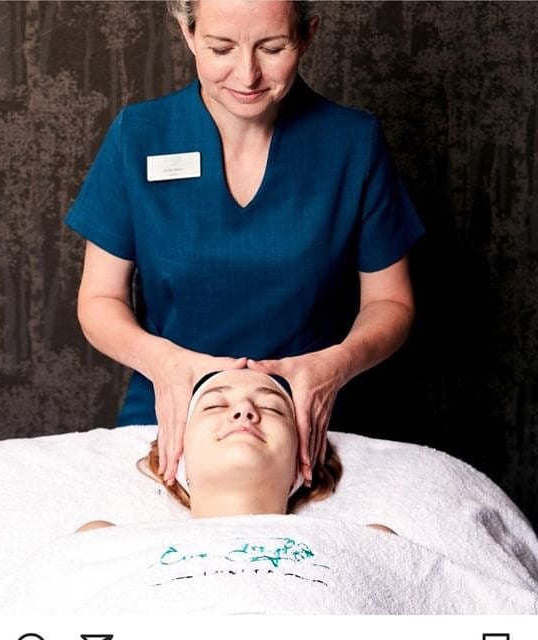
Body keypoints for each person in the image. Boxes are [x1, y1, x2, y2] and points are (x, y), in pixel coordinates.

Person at [65, 0, 425, 489]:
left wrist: (332, 368)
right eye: (221, 48)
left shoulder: (352, 143)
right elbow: (99, 299)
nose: (247, 74)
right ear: (189, 34)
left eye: (272, 48)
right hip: (173, 418)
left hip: (313, 424)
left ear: (307, 35)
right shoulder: (140, 136)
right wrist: (164, 365)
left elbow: (390, 303)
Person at [78, 369, 395, 534]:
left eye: (272, 408)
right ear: (176, 455)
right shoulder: (102, 541)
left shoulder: (369, 544)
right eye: (215, 405)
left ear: (302, 465)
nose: (244, 410)